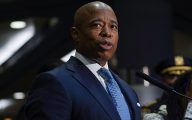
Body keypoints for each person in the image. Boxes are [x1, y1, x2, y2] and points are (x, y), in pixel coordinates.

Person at [24, 1, 141, 120]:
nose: (107, 33)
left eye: (113, 27)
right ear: (75, 34)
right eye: (97, 25)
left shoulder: (128, 91)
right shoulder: (54, 83)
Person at [142, 55, 192, 119]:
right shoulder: (149, 109)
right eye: (172, 76)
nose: (178, 81)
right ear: (162, 80)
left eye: (184, 77)